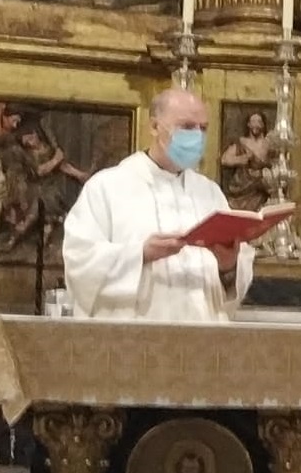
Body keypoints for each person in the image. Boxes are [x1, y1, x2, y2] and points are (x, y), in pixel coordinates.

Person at [63, 89, 255, 321]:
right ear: (154, 126)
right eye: (187, 126)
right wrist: (140, 254)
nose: (197, 136)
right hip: (135, 336)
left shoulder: (210, 193)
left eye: (203, 128)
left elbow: (233, 282)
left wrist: (228, 266)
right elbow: (79, 260)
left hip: (202, 334)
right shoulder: (107, 187)